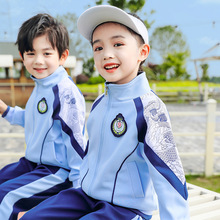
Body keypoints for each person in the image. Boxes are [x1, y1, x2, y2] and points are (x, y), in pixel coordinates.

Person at [19, 5, 189, 220]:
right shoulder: (101, 101)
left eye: (118, 44)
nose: (107, 54)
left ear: (142, 52)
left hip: (124, 209)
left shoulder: (150, 109)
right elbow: (91, 154)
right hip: (86, 196)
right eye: (98, 48)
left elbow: (169, 174)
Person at [0, 13, 86, 219]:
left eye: (47, 53)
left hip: (57, 171)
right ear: (22, 56)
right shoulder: (42, 85)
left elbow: (77, 141)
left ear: (63, 56)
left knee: (5, 197)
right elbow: (32, 118)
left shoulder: (65, 92)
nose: (38, 61)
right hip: (31, 164)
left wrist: (79, 190)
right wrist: (6, 110)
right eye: (31, 53)